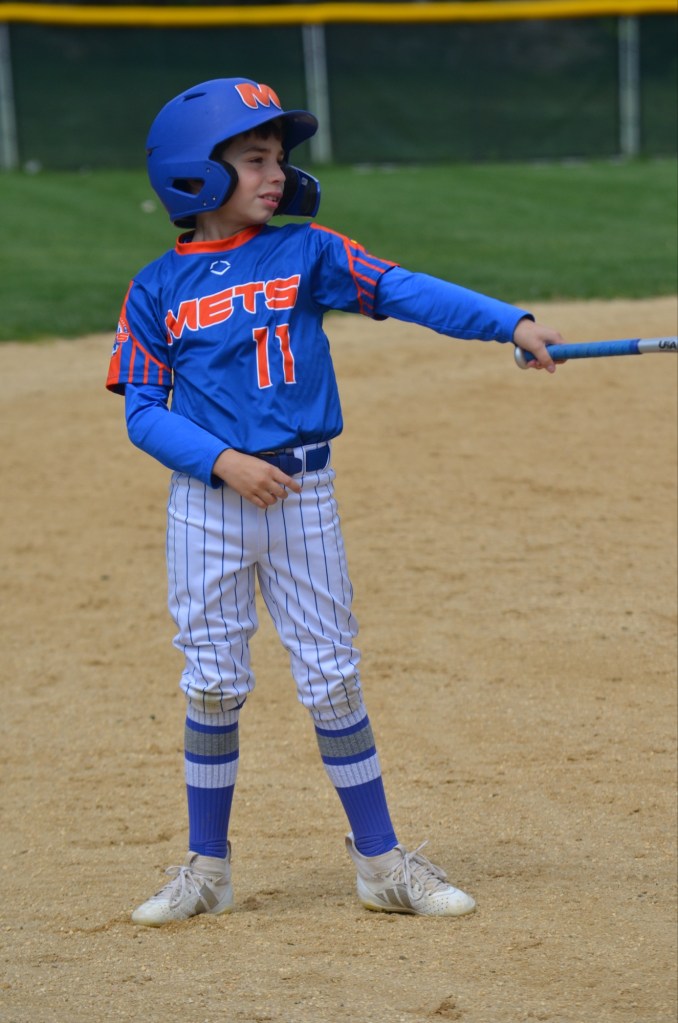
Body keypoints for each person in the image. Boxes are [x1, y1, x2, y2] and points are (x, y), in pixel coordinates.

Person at [106, 77, 564, 927]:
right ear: (195, 173)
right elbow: (142, 411)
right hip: (206, 503)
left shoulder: (308, 253)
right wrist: (222, 461)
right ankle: (207, 869)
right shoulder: (155, 287)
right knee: (212, 681)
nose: (275, 174)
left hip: (302, 494)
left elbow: (406, 289)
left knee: (331, 674)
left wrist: (510, 321)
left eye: (278, 159)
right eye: (254, 159)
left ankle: (382, 864)